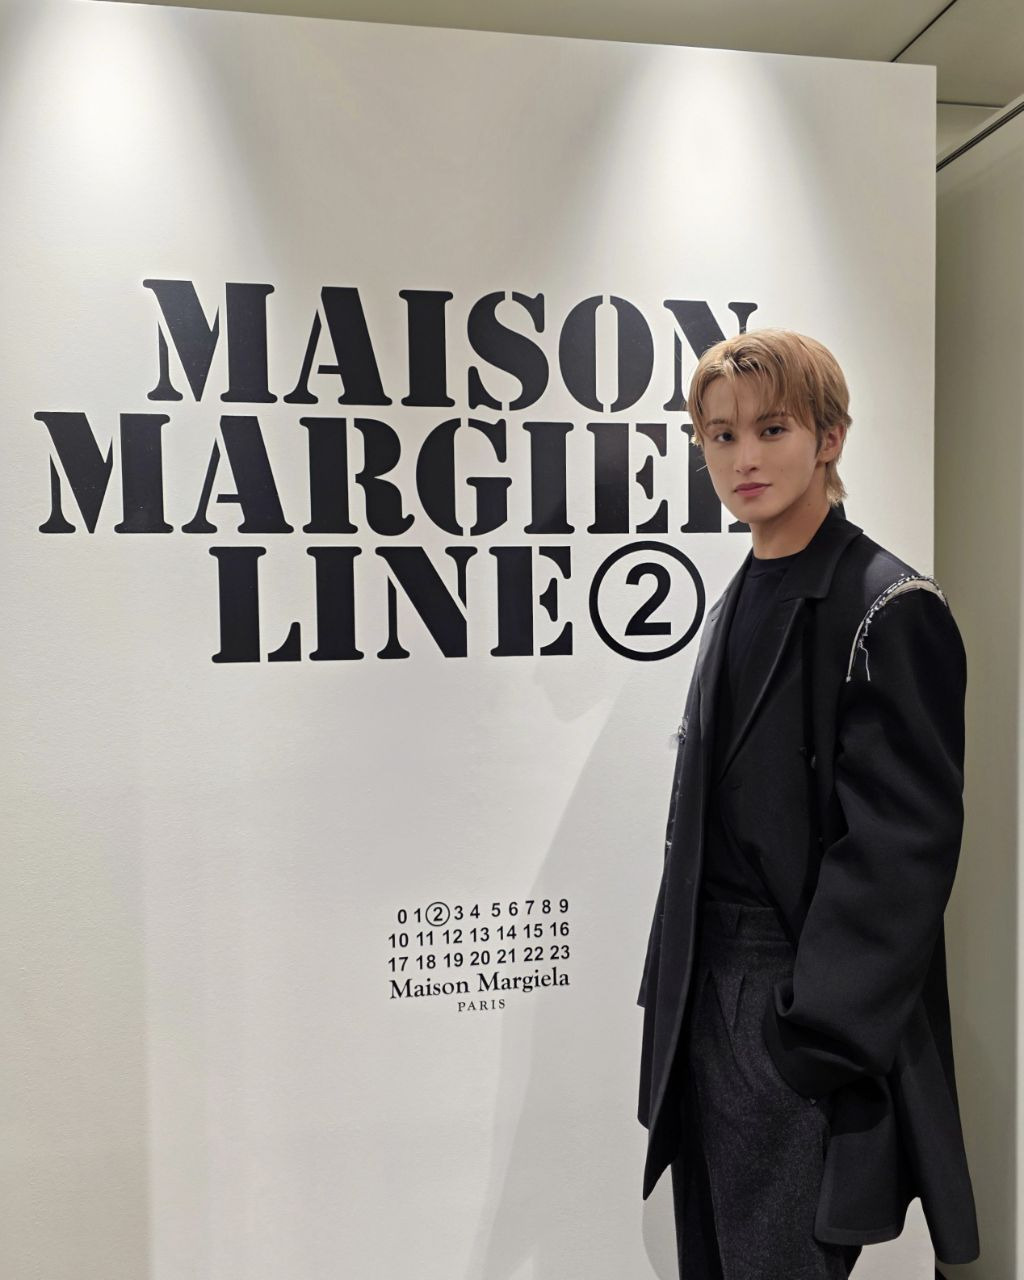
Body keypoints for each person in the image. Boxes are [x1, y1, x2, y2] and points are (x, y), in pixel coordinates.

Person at [636, 330, 980, 1278]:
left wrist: (811, 1035)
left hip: (790, 1010)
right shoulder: (738, 595)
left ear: (829, 438)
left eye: (772, 429)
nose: (743, 458)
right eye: (720, 436)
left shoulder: (888, 604)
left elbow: (901, 851)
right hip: (705, 1000)